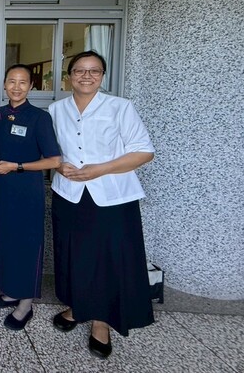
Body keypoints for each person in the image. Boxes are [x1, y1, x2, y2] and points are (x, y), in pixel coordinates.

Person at [48, 50, 155, 359]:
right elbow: (51, 150)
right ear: (69, 76)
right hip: (69, 194)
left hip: (111, 196)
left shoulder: (120, 107)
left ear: (103, 76)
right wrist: (59, 166)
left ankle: (101, 321)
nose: (87, 76)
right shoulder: (56, 109)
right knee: (73, 254)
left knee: (108, 258)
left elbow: (144, 152)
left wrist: (101, 169)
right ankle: (78, 306)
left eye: (94, 71)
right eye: (80, 70)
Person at [0, 64, 61, 331]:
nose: (16, 87)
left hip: (27, 192)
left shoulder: (39, 118)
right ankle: (11, 291)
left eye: (22, 82)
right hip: (3, 190)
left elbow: (54, 160)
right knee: (6, 241)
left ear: (31, 86)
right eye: (12, 81)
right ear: (4, 84)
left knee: (27, 244)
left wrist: (16, 166)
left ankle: (26, 303)